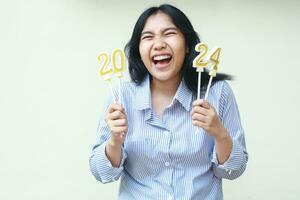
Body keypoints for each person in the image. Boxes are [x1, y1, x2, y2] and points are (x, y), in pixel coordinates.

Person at [89, 4, 248, 200]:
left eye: (169, 33)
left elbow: (234, 170)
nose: (159, 44)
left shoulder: (217, 93)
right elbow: (101, 172)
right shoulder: (121, 97)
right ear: (139, 50)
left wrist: (220, 133)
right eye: (148, 37)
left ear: (188, 44)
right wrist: (114, 141)